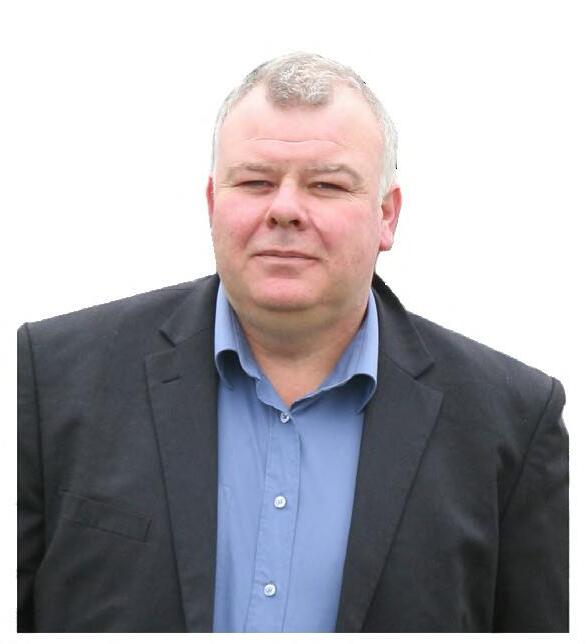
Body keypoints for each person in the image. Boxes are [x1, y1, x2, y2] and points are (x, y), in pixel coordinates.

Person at [17, 52, 568, 633]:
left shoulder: (512, 426)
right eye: (256, 182)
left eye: (326, 185)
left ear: (386, 216)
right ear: (212, 203)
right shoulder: (49, 381)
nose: (284, 210)